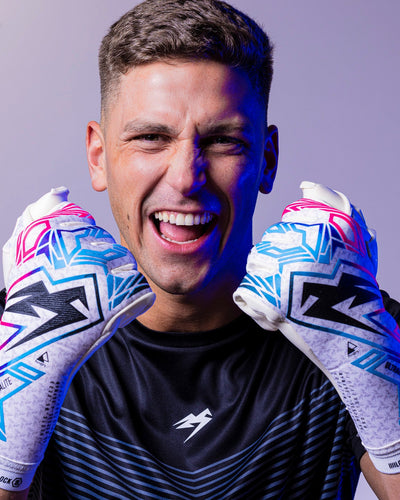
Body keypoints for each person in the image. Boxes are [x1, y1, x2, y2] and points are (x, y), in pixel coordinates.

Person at [0, 0, 399, 498]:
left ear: (267, 160)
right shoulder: (19, 326)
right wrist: (14, 417)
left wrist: (367, 363)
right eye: (150, 138)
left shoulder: (350, 317)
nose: (187, 177)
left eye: (223, 141)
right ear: (99, 157)